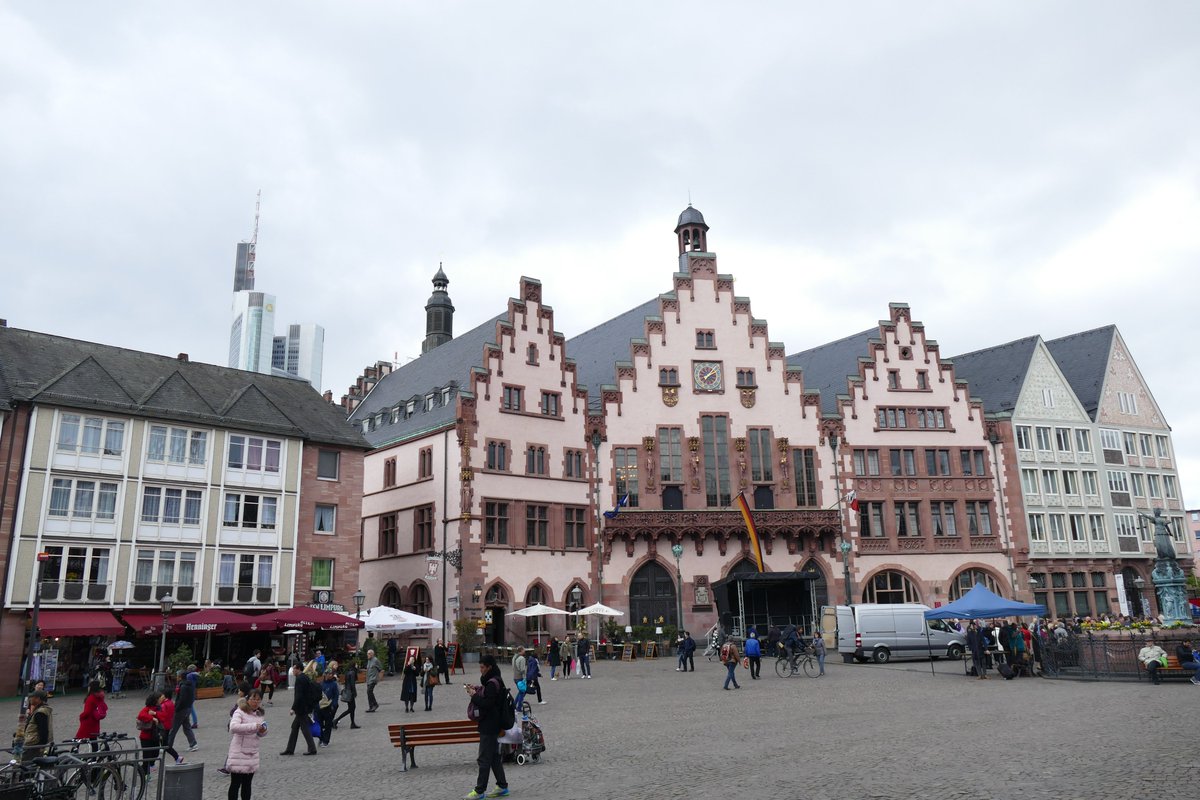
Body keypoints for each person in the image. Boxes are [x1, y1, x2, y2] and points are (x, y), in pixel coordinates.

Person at [463, 654, 510, 799]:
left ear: (489, 667)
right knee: (494, 757)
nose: (480, 670)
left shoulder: (492, 683)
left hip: (489, 725)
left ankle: (479, 791)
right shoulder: (495, 680)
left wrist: (473, 695)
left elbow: (487, 704)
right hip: (493, 724)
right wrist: (477, 689)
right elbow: (489, 697)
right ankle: (502, 786)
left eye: (483, 667)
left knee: (483, 759)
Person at [226, 688, 267, 800]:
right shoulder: (240, 711)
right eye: (253, 699)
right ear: (248, 699)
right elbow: (233, 727)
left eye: (258, 700)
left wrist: (263, 731)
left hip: (252, 753)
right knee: (235, 783)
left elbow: (260, 733)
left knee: (247, 784)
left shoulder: (259, 714)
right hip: (239, 753)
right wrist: (253, 726)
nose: (256, 702)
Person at [279, 663, 319, 756]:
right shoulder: (305, 677)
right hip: (305, 707)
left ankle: (312, 749)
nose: (292, 671)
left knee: (305, 728)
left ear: (299, 669)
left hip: (302, 708)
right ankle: (290, 749)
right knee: (295, 727)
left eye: (294, 669)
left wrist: (293, 708)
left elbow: (299, 696)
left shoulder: (300, 679)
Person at [169, 670, 199, 752]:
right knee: (186, 727)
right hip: (187, 708)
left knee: (173, 728)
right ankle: (193, 744)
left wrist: (177, 708)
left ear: (180, 677)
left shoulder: (183, 686)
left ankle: (168, 746)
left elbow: (182, 699)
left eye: (177, 676)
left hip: (181, 710)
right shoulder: (189, 684)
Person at [21, 690, 53, 762]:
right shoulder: (40, 710)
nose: (30, 699)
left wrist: (41, 745)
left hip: (33, 744)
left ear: (38, 699)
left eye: (32, 697)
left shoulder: (40, 712)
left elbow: (43, 730)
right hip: (34, 742)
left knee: (26, 764)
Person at [135, 693, 162, 775]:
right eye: (159, 698)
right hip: (146, 737)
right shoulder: (147, 708)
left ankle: (145, 768)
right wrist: (152, 718)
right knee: (147, 756)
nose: (161, 700)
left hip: (155, 736)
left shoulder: (158, 708)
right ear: (155, 700)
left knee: (155, 753)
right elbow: (141, 715)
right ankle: (145, 774)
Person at [156, 691, 185, 765]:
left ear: (165, 696)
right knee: (164, 744)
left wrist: (155, 713)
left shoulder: (164, 705)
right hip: (168, 725)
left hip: (163, 726)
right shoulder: (170, 703)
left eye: (161, 695)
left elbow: (162, 715)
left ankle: (177, 757)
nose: (160, 697)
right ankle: (177, 757)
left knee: (164, 745)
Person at [333, 661, 361, 728]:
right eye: (356, 665)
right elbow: (352, 684)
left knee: (352, 708)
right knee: (351, 709)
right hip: (350, 692)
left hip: (347, 691)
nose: (357, 666)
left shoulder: (348, 672)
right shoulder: (353, 672)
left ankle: (352, 723)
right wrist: (354, 692)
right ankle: (336, 720)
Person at [318, 669, 338, 746]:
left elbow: (336, 695)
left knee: (328, 724)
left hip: (329, 706)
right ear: (325, 675)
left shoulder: (334, 684)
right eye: (329, 674)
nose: (330, 675)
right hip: (320, 707)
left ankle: (326, 741)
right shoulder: (321, 684)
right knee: (320, 724)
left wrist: (334, 705)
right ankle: (321, 738)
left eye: (331, 674)